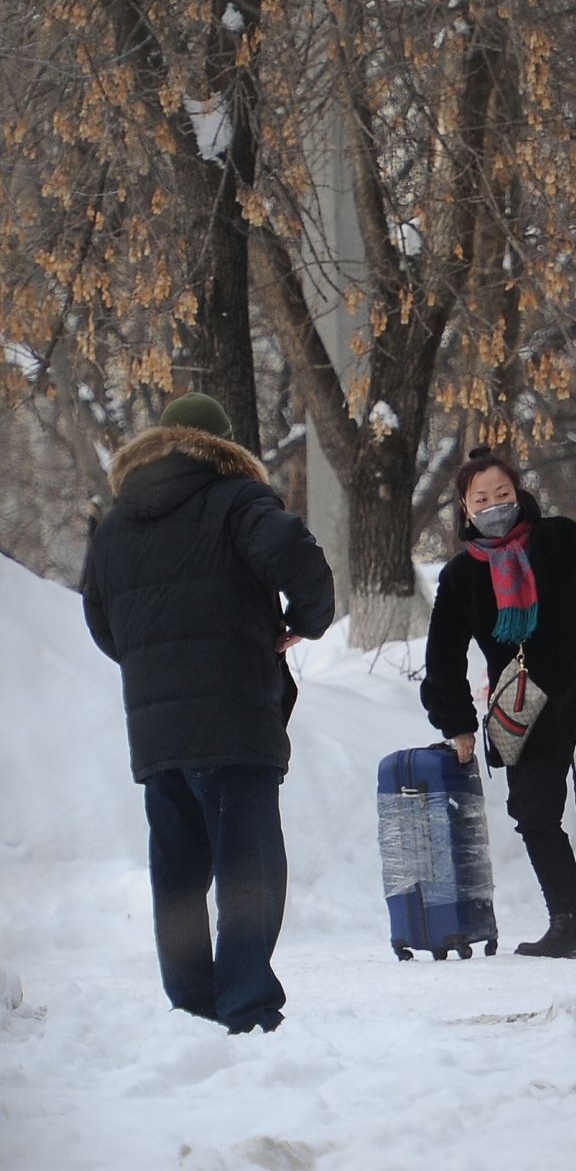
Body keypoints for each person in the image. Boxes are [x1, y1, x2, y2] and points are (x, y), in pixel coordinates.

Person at [81, 392, 335, 1034]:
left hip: (158, 731)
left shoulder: (114, 525)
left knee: (178, 872)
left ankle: (193, 1005)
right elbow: (298, 555)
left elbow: (101, 621)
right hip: (235, 720)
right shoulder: (238, 501)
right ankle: (246, 1004)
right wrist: (303, 622)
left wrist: (150, 664)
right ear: (224, 447)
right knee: (248, 866)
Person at [420, 447, 576, 958]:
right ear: (464, 506)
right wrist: (456, 721)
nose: (493, 504)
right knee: (533, 813)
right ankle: (567, 925)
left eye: (502, 494)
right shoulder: (461, 575)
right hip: (525, 706)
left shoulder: (562, 538)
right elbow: (443, 656)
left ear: (519, 492)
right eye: (481, 498)